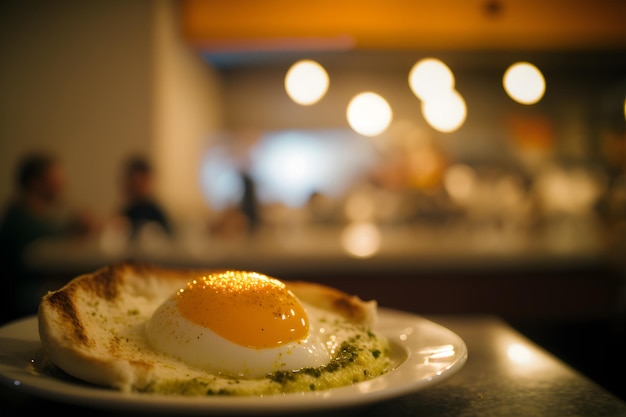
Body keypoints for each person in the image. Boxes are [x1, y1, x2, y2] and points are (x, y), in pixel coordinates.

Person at [0, 152, 95, 322]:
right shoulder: (19, 218)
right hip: (18, 299)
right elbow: (47, 242)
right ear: (36, 183)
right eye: (56, 178)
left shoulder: (32, 214)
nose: (63, 184)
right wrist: (75, 227)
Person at [118, 155, 173, 240]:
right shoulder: (125, 212)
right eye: (132, 182)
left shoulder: (154, 212)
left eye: (138, 181)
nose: (135, 186)